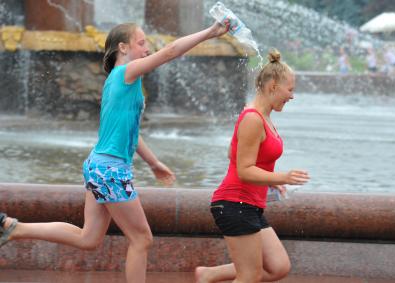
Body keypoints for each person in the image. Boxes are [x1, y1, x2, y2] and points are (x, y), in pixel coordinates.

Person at [0, 21, 229, 283]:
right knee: (141, 239)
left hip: (99, 165)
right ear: (123, 47)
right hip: (109, 170)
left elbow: (129, 130)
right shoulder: (125, 73)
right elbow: (170, 51)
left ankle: (14, 228)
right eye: (141, 43)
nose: (147, 48)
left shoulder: (118, 81)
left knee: (89, 238)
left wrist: (154, 162)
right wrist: (210, 33)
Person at [195, 49, 310, 283]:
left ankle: (209, 274)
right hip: (234, 203)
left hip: (249, 205)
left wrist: (270, 182)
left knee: (278, 267)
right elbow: (244, 170)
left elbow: (233, 152)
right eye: (290, 90)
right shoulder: (253, 118)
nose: (292, 96)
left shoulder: (262, 117)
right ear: (273, 86)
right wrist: (282, 178)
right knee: (250, 276)